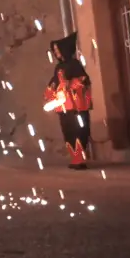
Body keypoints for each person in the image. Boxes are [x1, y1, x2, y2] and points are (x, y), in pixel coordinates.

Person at [44, 31, 92, 170]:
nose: (56, 53)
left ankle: (80, 159)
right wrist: (50, 91)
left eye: (58, 50)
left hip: (76, 106)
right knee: (68, 131)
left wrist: (70, 84)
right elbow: (53, 82)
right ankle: (74, 158)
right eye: (54, 51)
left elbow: (84, 80)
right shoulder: (58, 67)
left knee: (79, 131)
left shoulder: (75, 64)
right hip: (63, 106)